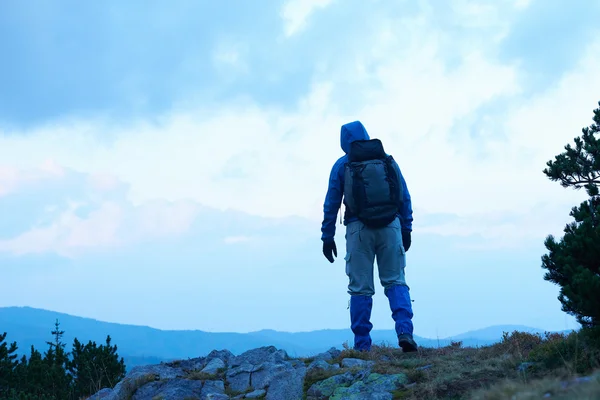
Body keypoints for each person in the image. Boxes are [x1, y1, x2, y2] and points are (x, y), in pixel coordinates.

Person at [320, 120, 418, 352]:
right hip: (391, 227)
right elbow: (404, 195)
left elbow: (331, 203)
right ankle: (405, 332)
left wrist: (327, 236)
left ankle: (362, 345)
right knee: (395, 281)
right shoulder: (386, 160)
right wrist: (406, 228)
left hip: (358, 230)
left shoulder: (342, 165)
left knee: (360, 288)